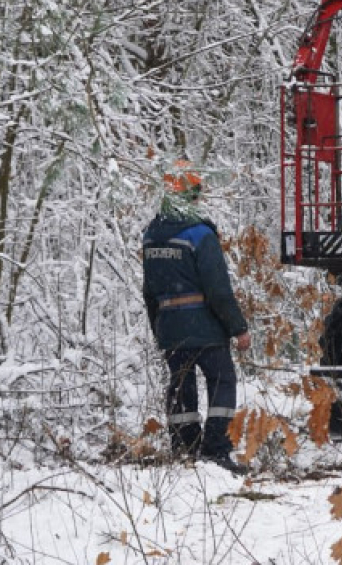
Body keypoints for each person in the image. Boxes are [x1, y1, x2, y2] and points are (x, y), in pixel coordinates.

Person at [141, 161, 252, 474]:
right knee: (222, 382)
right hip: (204, 326)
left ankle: (184, 446)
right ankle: (216, 450)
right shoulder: (200, 235)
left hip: (170, 328)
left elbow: (149, 291)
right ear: (192, 195)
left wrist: (159, 327)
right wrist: (238, 328)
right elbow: (218, 290)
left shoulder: (151, 236)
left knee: (180, 386)